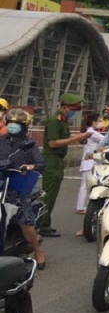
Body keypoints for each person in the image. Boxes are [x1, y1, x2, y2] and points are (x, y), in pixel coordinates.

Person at [1, 109, 48, 269]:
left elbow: (40, 164)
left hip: (16, 187)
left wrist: (29, 166)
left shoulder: (29, 145)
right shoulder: (1, 140)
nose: (13, 126)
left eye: (17, 124)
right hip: (0, 183)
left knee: (24, 221)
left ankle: (37, 251)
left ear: (24, 126)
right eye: (11, 123)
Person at [39, 92, 89, 236]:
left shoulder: (62, 120)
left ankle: (44, 223)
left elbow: (64, 137)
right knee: (48, 195)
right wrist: (76, 138)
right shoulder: (55, 120)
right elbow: (53, 143)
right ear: (66, 107)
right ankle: (43, 225)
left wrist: (80, 138)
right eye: (73, 110)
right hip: (52, 159)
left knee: (51, 195)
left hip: (57, 160)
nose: (74, 113)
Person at [75, 110, 106, 232]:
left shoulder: (87, 132)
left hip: (87, 162)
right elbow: (105, 140)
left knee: (84, 185)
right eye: (98, 121)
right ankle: (82, 206)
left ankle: (81, 206)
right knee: (86, 185)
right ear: (93, 122)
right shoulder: (92, 133)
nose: (99, 123)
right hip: (91, 162)